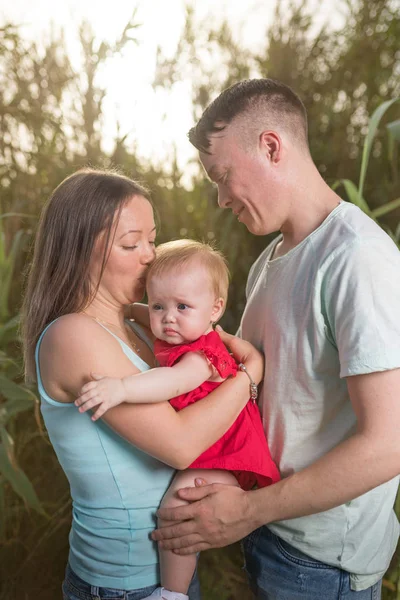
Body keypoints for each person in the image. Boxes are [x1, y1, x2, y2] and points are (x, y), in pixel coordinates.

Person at [151, 78, 400, 599]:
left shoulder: (357, 257)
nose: (220, 199)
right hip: (272, 532)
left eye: (222, 177)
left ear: (271, 146)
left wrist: (247, 511)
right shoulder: (271, 258)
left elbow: (389, 444)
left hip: (320, 563)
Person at [21, 168, 264, 600]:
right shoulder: (73, 335)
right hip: (121, 584)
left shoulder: (135, 322)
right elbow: (181, 444)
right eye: (131, 244)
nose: (150, 255)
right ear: (80, 250)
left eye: (152, 240)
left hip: (166, 570)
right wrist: (249, 374)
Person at [75, 238, 280, 600]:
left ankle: (173, 593)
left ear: (215, 309)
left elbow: (172, 381)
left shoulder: (202, 355)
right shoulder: (178, 329)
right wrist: (121, 309)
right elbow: (137, 311)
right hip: (212, 445)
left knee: (177, 506)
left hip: (227, 453)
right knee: (177, 502)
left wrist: (121, 389)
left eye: (183, 306)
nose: (168, 317)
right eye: (159, 305)